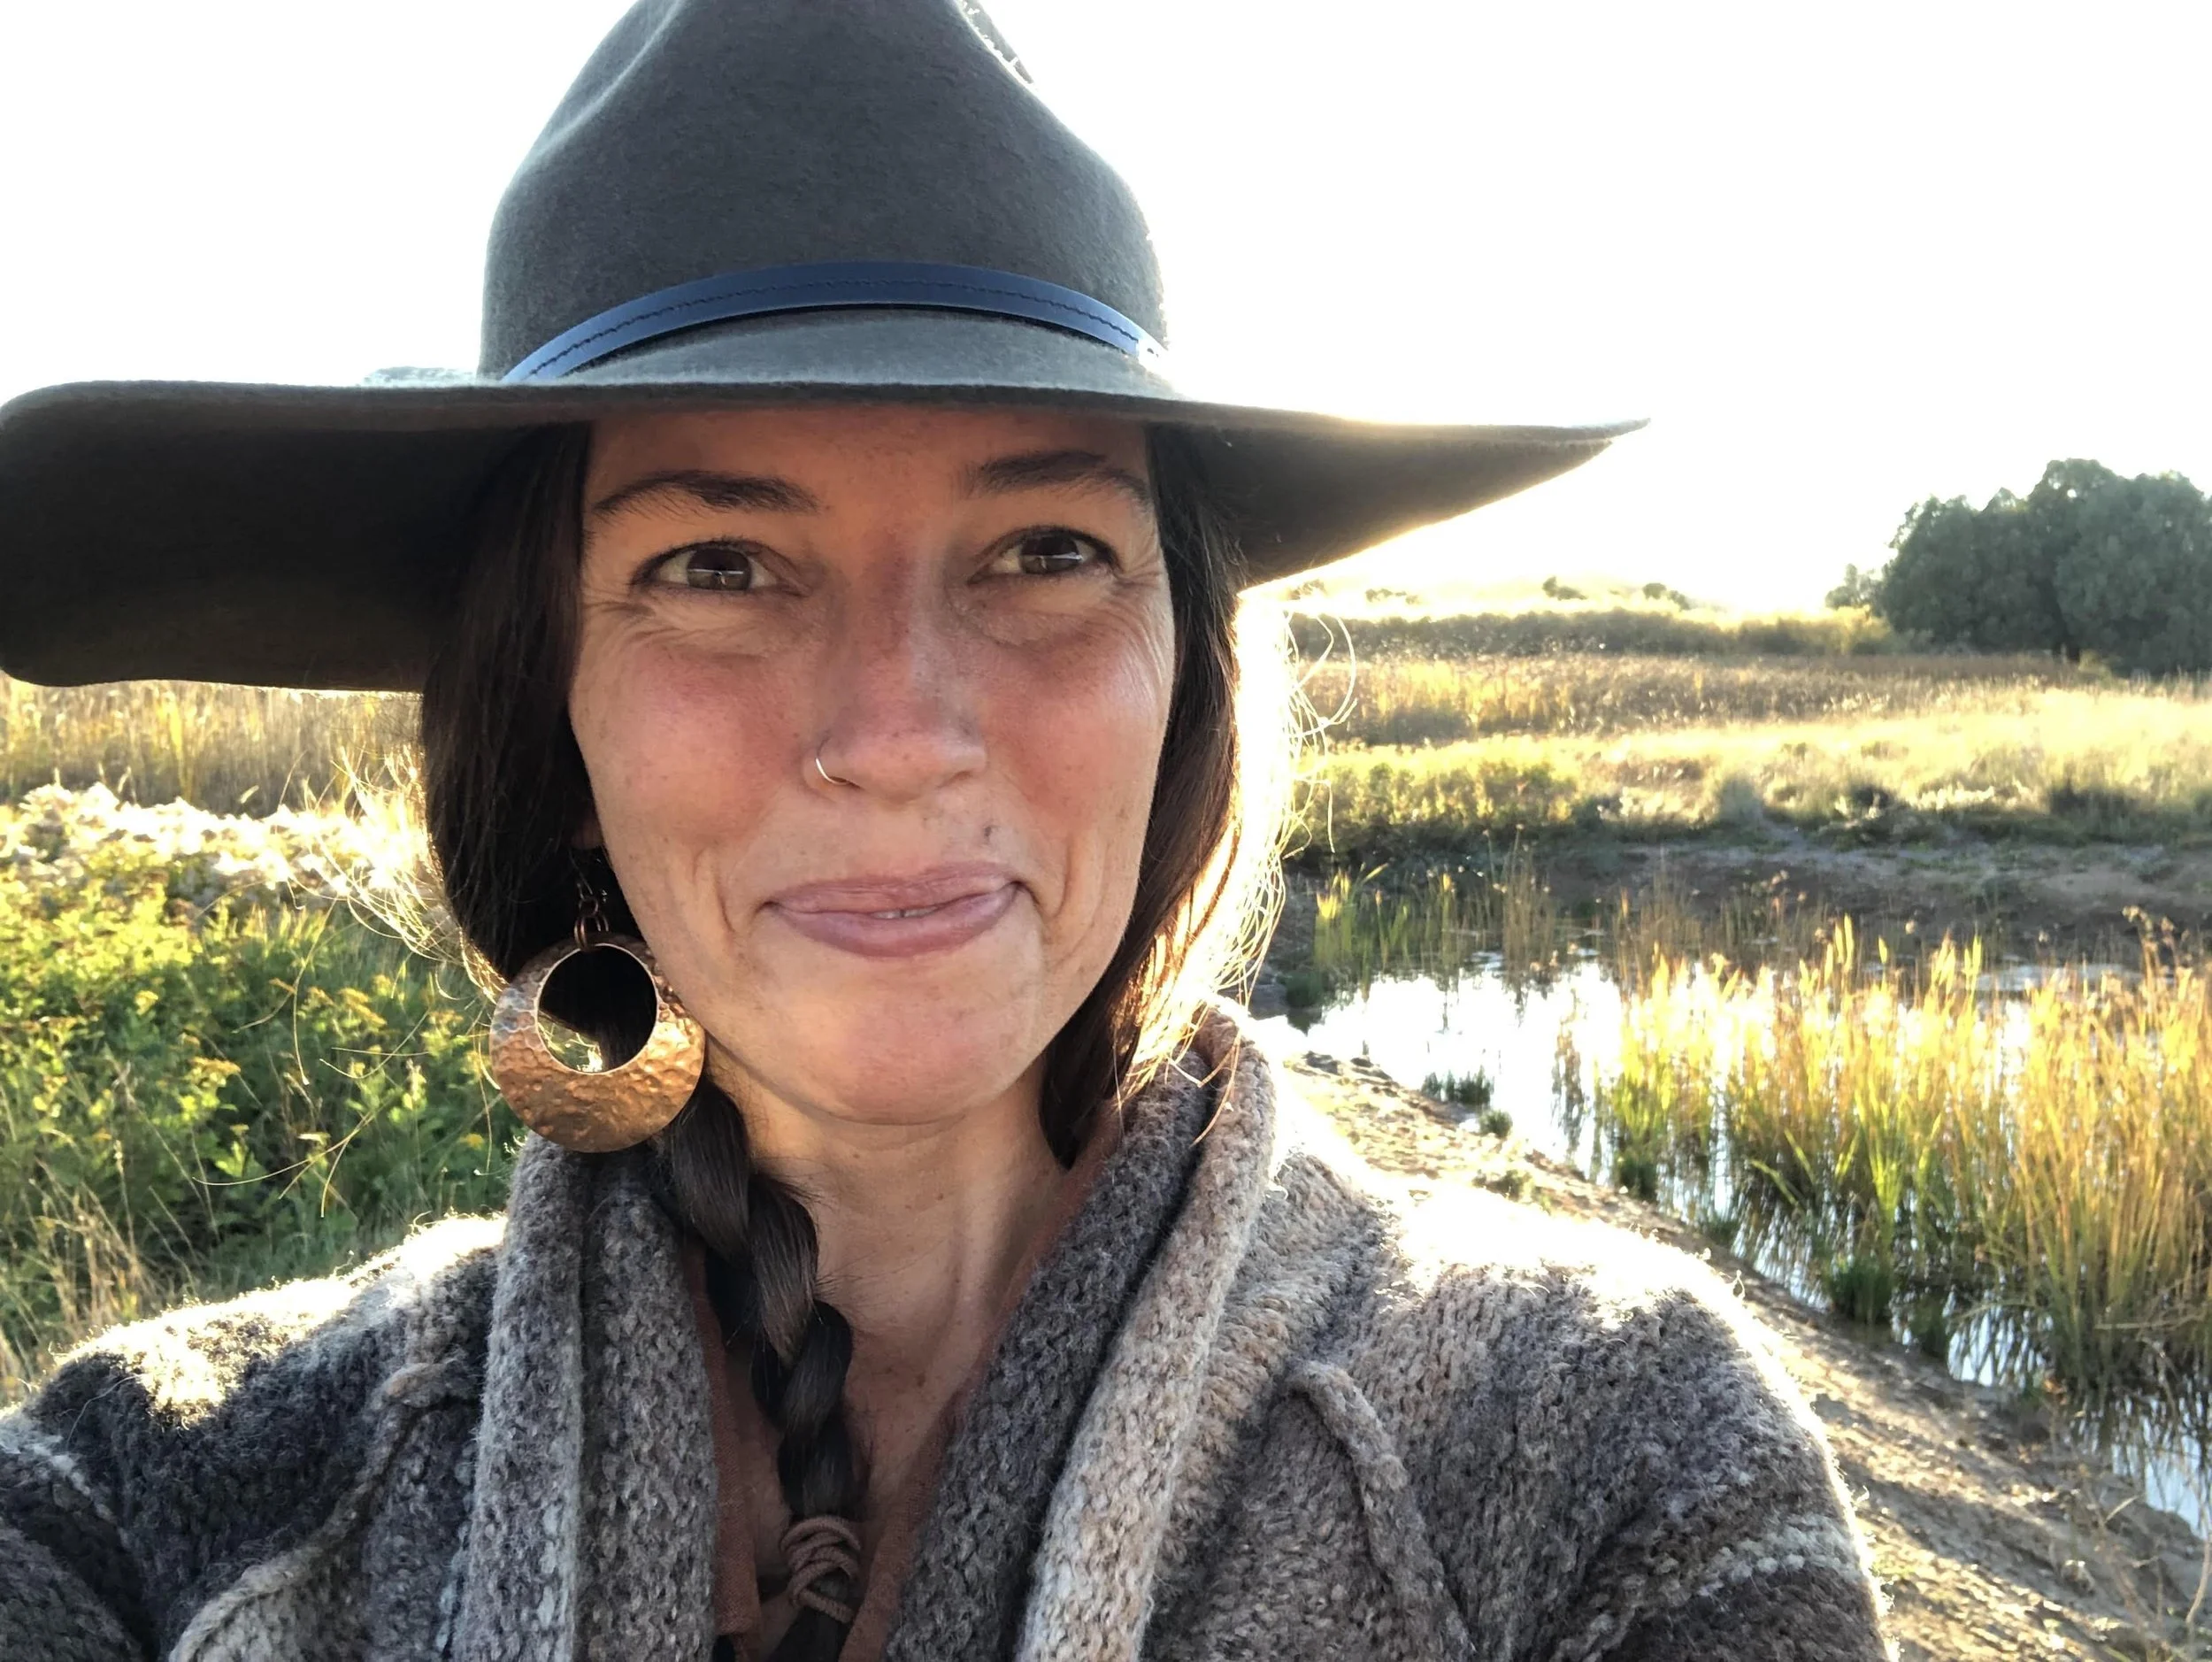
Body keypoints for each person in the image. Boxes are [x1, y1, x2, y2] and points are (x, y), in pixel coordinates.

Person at [0, 3, 1888, 1658]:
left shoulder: (1598, 1466)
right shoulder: (153, 1509)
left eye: (1046, 552)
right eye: (718, 565)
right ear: (546, 700)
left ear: (1188, 674)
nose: (898, 734)